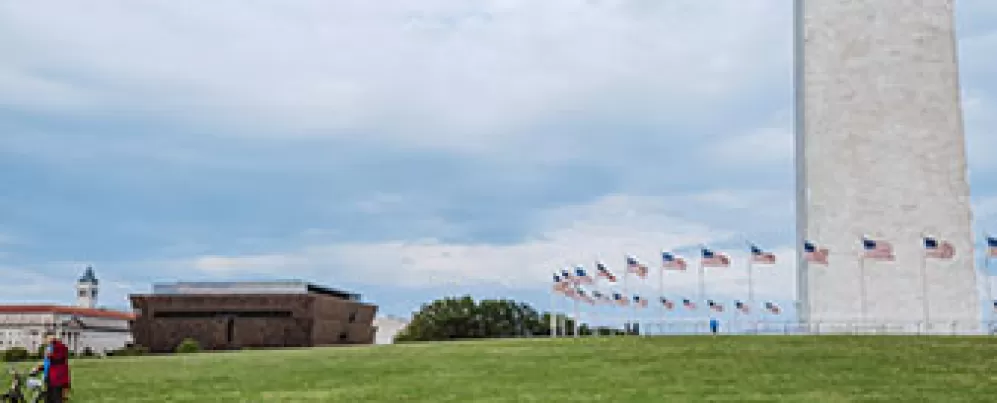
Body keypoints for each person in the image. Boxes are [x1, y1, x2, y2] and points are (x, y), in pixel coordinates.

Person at [30, 330, 71, 403]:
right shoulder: (49, 348)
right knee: (49, 399)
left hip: (56, 379)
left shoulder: (58, 347)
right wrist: (38, 368)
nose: (45, 341)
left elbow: (58, 360)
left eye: (46, 338)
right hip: (50, 378)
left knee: (56, 399)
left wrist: (39, 367)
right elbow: (48, 363)